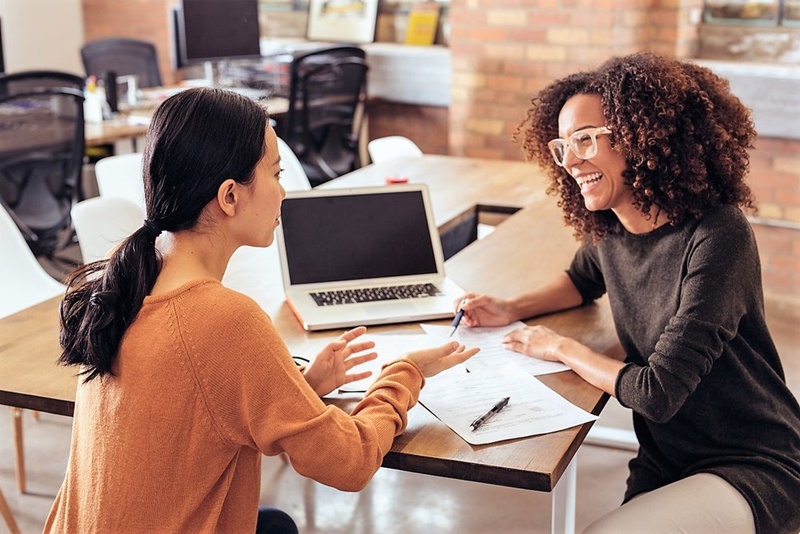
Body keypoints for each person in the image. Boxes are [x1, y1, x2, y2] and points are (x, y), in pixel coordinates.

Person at [46, 87, 478, 533]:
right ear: (230, 196)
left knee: (274, 525)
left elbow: (200, 413)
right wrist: (404, 373)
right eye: (276, 173)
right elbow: (349, 463)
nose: (283, 192)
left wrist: (301, 386)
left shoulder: (125, 285)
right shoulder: (224, 319)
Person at [456, 52, 800, 534]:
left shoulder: (719, 235)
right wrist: (509, 308)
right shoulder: (613, 228)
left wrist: (558, 347)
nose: (572, 160)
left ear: (642, 138)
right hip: (666, 457)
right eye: (562, 145)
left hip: (750, 462)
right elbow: (580, 280)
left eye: (585, 139)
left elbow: (656, 393)